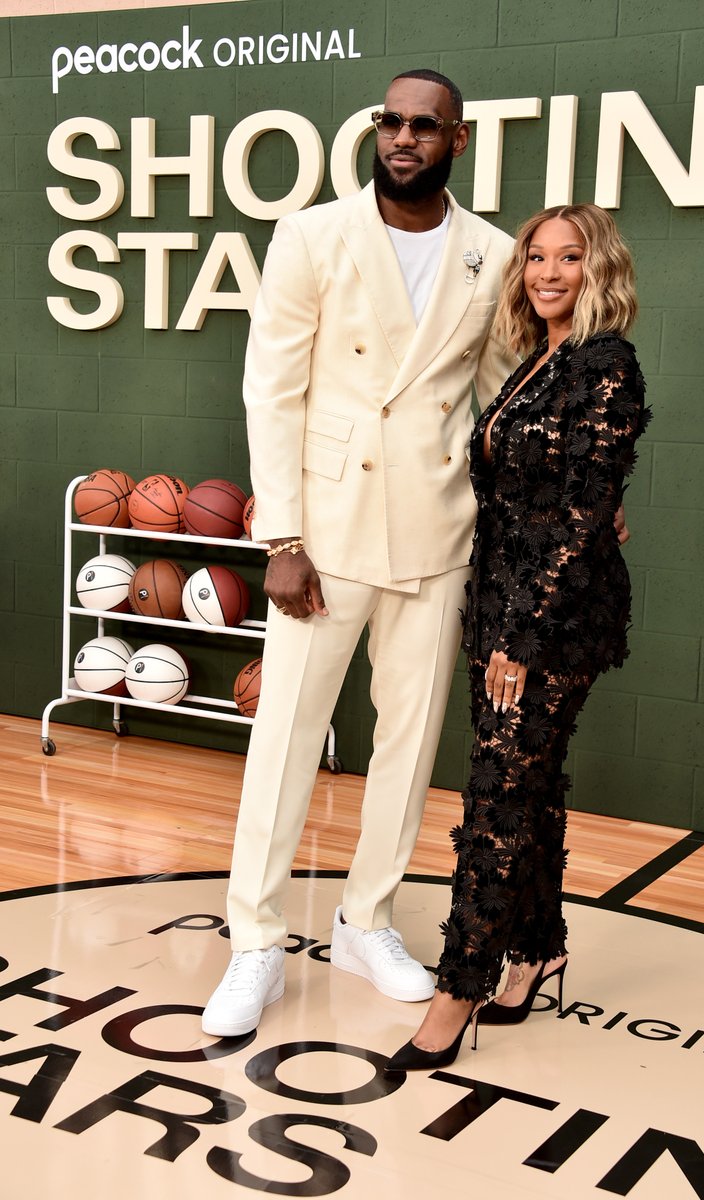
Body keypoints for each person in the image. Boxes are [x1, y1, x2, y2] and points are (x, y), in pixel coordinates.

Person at [201, 69, 519, 1037]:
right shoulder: (311, 235)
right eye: (392, 121)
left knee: (407, 744)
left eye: (425, 125)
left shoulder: (492, 256)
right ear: (376, 131)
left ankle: (363, 918)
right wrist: (281, 536)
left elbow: (501, 403)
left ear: (455, 141)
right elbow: (272, 390)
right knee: (286, 737)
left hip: (435, 530)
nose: (404, 137)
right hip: (325, 536)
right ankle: (255, 939)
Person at [386, 203, 650, 1072]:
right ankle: (538, 948)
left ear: (597, 268)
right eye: (535, 256)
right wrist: (497, 619)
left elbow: (578, 514)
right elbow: (539, 495)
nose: (546, 272)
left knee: (495, 799)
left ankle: (456, 987)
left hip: (553, 619)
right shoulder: (536, 363)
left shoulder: (606, 366)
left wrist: (524, 637)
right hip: (498, 602)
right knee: (525, 788)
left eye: (567, 258)